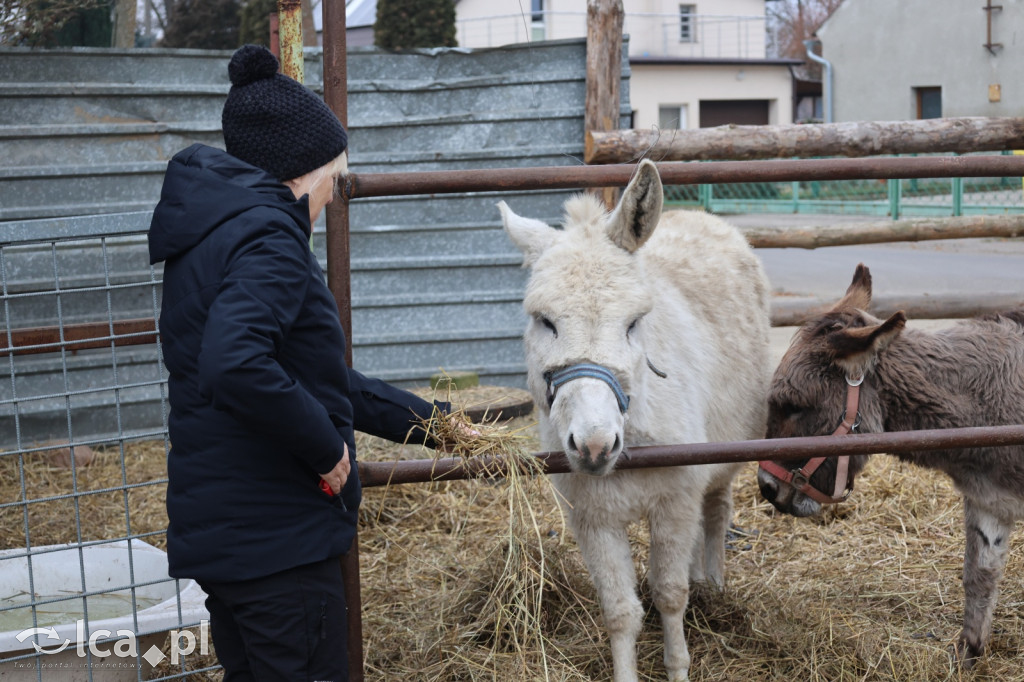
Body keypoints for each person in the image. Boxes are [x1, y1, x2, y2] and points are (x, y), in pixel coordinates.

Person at [147, 44, 454, 681]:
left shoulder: (213, 237)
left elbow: (313, 378)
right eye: (335, 180)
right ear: (305, 174)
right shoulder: (271, 240)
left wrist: (436, 425)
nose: (334, 196)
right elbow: (235, 364)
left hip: (230, 536)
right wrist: (327, 450)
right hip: (278, 540)